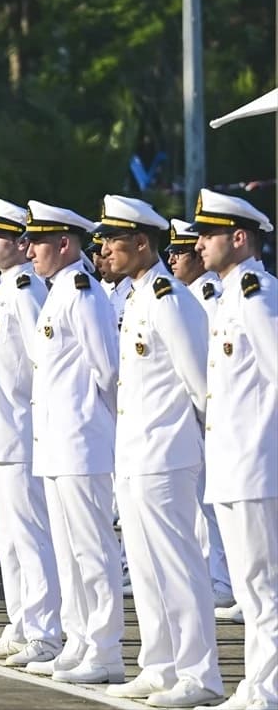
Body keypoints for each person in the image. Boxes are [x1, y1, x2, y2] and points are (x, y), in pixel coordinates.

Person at [93, 195, 224, 708]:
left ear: (141, 243)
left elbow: (200, 382)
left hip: (167, 451)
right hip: (136, 451)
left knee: (179, 564)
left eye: (113, 240)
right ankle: (160, 663)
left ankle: (200, 673)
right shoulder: (139, 297)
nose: (104, 248)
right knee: (145, 565)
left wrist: (195, 442)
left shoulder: (171, 297)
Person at [23, 201, 124, 684]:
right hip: (58, 441)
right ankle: (79, 639)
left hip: (83, 439)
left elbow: (108, 371)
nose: (29, 249)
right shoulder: (58, 291)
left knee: (93, 551)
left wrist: (94, 425)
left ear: (65, 243)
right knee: (66, 551)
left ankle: (105, 650)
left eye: (38, 240)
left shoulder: (83, 293)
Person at [192, 188, 277, 710]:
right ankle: (256, 683)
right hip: (230, 464)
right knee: (250, 587)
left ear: (239, 238)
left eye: (209, 234)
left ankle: (266, 689)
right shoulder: (229, 296)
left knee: (263, 586)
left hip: (256, 464)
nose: (199, 244)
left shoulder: (257, 296)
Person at [0, 199, 63, 668]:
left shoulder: (27, 292)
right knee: (8, 538)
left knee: (31, 537)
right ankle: (21, 624)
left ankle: (45, 633)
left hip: (21, 432)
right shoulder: (4, 291)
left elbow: (43, 364)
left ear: (21, 244)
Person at [166, 217, 236, 619]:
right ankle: (217, 577)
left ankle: (224, 580)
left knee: (212, 503)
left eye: (181, 251)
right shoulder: (187, 293)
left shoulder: (206, 293)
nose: (174, 258)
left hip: (207, 413)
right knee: (199, 505)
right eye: (172, 251)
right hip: (194, 414)